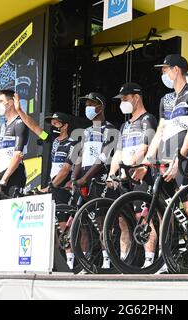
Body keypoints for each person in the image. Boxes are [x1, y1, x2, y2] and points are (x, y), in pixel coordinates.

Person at [133, 53, 188, 265]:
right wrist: (146, 162)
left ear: (176, 70)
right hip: (163, 155)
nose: (163, 73)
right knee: (165, 211)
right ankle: (166, 259)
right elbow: (160, 132)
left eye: (165, 69)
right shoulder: (166, 99)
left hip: (180, 155)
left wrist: (179, 159)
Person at [107, 82, 158, 267]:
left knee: (143, 218)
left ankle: (149, 260)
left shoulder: (148, 119)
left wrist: (130, 166)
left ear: (136, 97)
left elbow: (145, 147)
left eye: (125, 99)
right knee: (123, 221)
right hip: (124, 176)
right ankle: (123, 261)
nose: (122, 103)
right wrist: (112, 173)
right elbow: (118, 152)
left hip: (140, 175)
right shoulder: (124, 125)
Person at [68, 91, 117, 268]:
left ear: (100, 107)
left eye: (91, 104)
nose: (87, 107)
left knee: (101, 220)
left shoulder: (111, 129)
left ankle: (107, 260)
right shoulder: (86, 131)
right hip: (83, 178)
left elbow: (103, 157)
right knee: (81, 221)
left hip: (99, 176)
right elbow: (79, 157)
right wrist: (74, 177)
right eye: (86, 104)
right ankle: (85, 262)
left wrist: (85, 179)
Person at [14, 93, 75, 203]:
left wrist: (50, 187)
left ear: (65, 126)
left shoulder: (73, 144)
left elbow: (66, 170)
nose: (52, 126)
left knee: (62, 220)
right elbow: (34, 127)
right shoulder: (51, 139)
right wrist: (19, 110)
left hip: (64, 188)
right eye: (51, 124)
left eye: (55, 123)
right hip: (53, 187)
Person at [0, 89, 30, 199]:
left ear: (11, 103)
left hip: (14, 174)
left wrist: (5, 179)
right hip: (1, 176)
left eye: (0, 101)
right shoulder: (2, 126)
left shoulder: (20, 123)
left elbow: (18, 155)